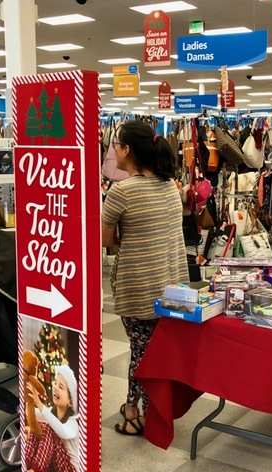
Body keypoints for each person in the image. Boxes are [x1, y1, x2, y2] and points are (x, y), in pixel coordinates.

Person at [102, 121, 188, 436]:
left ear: (127, 150)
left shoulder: (121, 190)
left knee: (141, 350)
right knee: (152, 349)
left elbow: (105, 239)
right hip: (171, 285)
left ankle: (136, 411)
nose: (113, 151)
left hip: (139, 286)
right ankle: (143, 408)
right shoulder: (170, 186)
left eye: (116, 145)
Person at [24, 365, 79, 472]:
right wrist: (29, 400)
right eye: (55, 383)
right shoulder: (50, 412)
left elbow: (62, 431)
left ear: (70, 402)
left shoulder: (73, 422)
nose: (55, 387)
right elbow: (33, 414)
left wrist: (39, 404)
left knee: (48, 427)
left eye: (61, 387)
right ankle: (27, 464)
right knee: (38, 425)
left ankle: (35, 471)